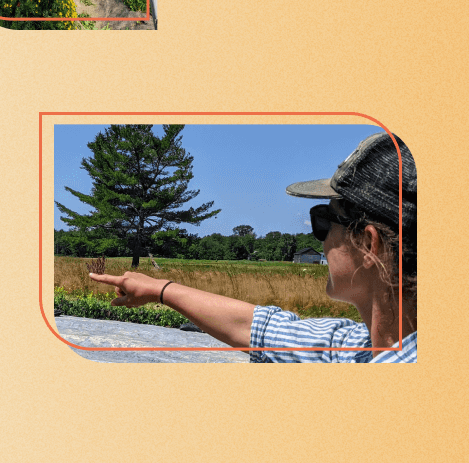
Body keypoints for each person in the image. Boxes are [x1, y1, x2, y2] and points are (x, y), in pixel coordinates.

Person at [89, 132, 416, 363]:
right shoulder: (364, 348)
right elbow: (262, 328)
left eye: (324, 219)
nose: (321, 236)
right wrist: (158, 289)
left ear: (369, 246)